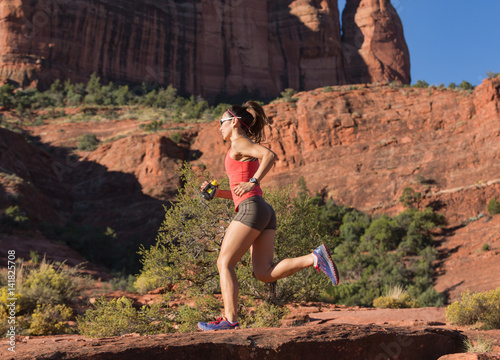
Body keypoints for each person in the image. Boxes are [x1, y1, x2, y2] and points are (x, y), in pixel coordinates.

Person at [197, 101, 339, 331]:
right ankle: (314, 258)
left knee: (224, 262)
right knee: (264, 273)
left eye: (221, 122)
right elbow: (238, 191)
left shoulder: (239, 143)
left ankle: (229, 319)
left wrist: (253, 181)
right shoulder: (238, 146)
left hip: (252, 208)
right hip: (261, 210)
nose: (219, 127)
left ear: (234, 122)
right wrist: (217, 193)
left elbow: (269, 155)